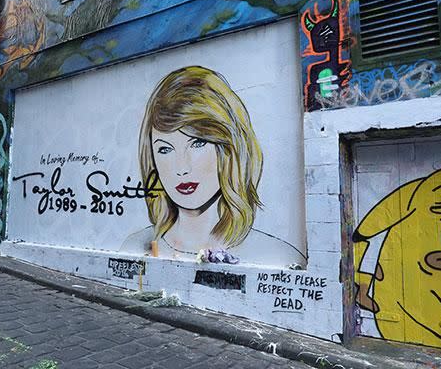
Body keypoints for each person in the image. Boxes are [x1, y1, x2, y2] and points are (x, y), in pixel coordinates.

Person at [121, 66, 305, 265]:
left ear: (229, 149)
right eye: (165, 149)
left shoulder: (277, 256)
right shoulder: (135, 247)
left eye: (198, 143)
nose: (181, 167)